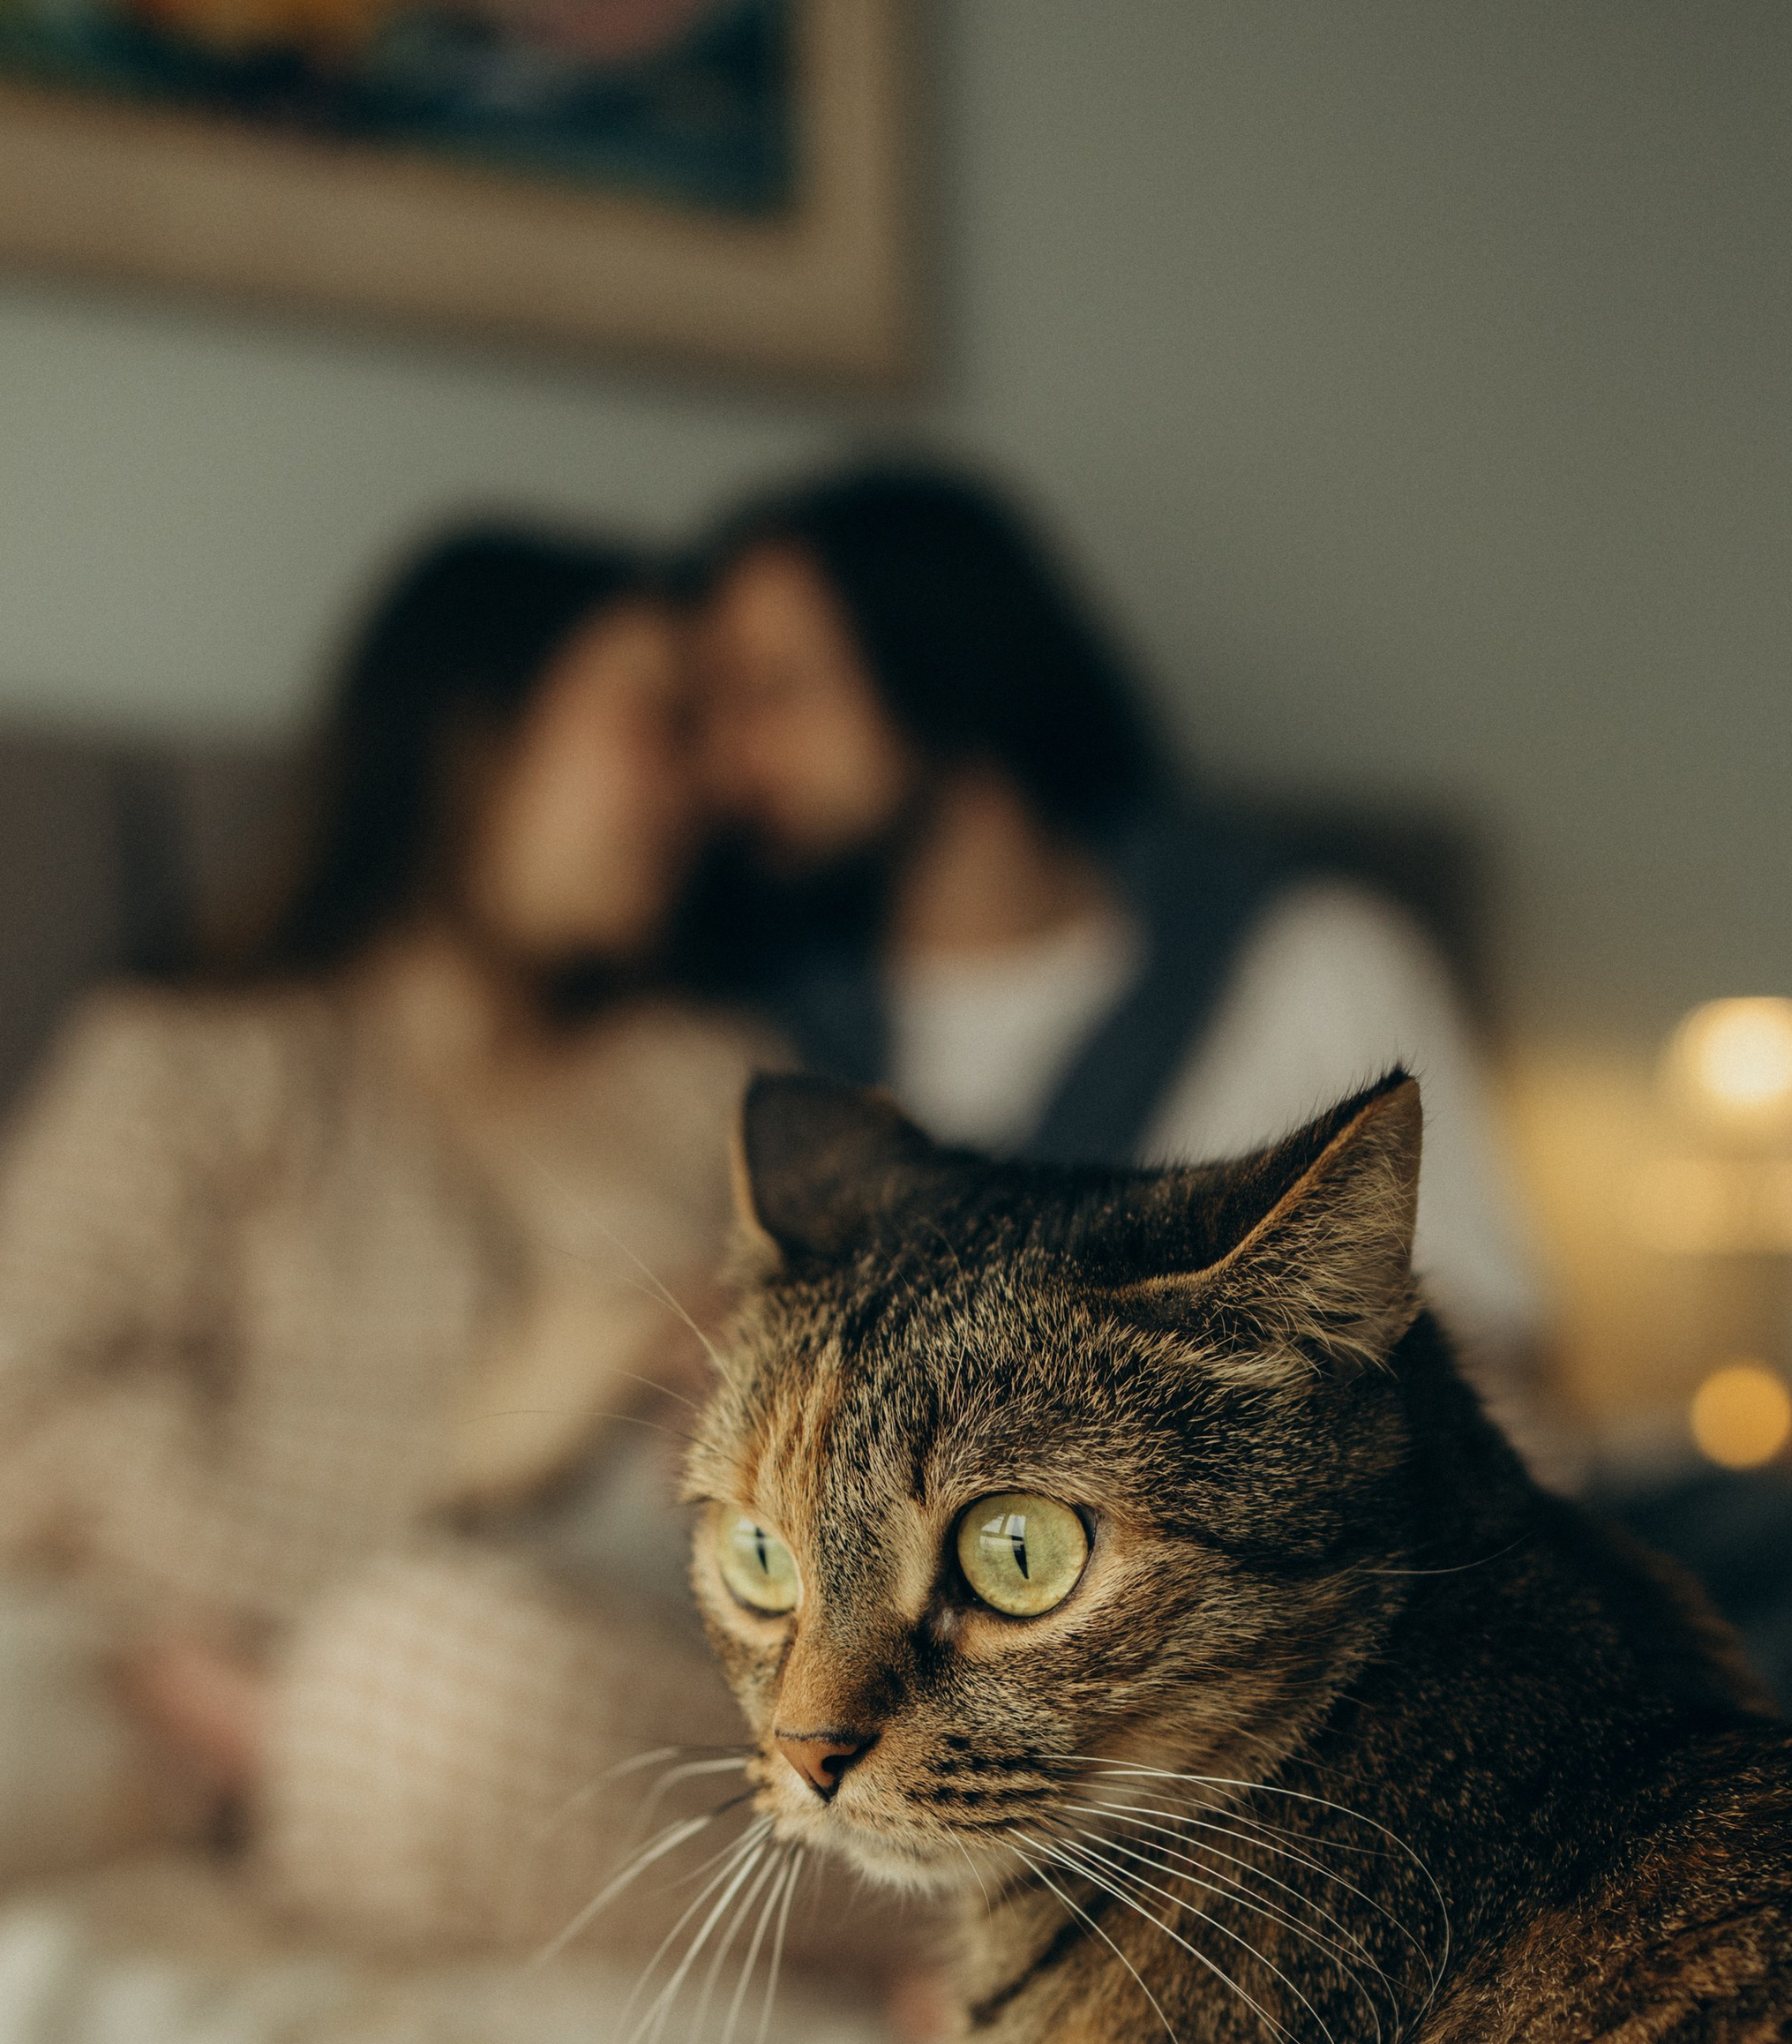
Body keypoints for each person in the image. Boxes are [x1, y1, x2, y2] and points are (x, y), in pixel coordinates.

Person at [0, 523, 769, 1953]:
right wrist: (453, 1450)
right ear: (478, 738)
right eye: (660, 724)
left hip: (637, 1690)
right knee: (382, 1695)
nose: (707, 786)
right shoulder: (194, 1066)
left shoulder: (720, 1088)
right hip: (267, 1705)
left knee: (428, 1693)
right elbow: (20, 1420)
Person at [672, 458, 1545, 1382]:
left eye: (775, 689)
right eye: (709, 713)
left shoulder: (1312, 960)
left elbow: (1495, 1349)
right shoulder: (757, 1049)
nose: (730, 760)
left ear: (939, 654)